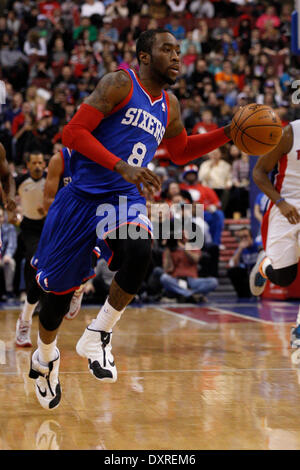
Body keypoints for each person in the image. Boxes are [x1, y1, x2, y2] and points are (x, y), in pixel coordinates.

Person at [29, 29, 232, 410]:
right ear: (143, 55)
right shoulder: (120, 83)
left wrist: (230, 133)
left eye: (178, 50)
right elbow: (72, 133)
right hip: (81, 197)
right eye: (167, 49)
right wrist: (121, 165)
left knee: (141, 251)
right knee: (53, 301)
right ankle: (44, 358)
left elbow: (182, 151)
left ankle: (98, 333)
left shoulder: (169, 105)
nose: (176, 56)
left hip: (122, 195)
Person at [16, 147, 89, 347]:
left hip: (68, 223)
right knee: (37, 272)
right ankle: (25, 320)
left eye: (41, 162)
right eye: (35, 163)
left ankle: (78, 288)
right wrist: (12, 210)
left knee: (94, 249)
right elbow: (46, 199)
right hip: (41, 227)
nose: (39, 166)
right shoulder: (56, 164)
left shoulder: (92, 162)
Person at [248, 121, 300, 352]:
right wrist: (280, 202)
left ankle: (298, 329)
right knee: (283, 277)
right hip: (285, 206)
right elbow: (259, 172)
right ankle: (265, 265)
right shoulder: (290, 133)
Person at [227, 227, 261, 298]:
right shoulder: (241, 248)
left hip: (259, 272)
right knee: (232, 271)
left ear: (251, 237)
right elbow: (234, 264)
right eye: (241, 237)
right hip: (248, 273)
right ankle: (243, 295)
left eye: (245, 236)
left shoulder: (258, 245)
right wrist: (240, 249)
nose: (244, 239)